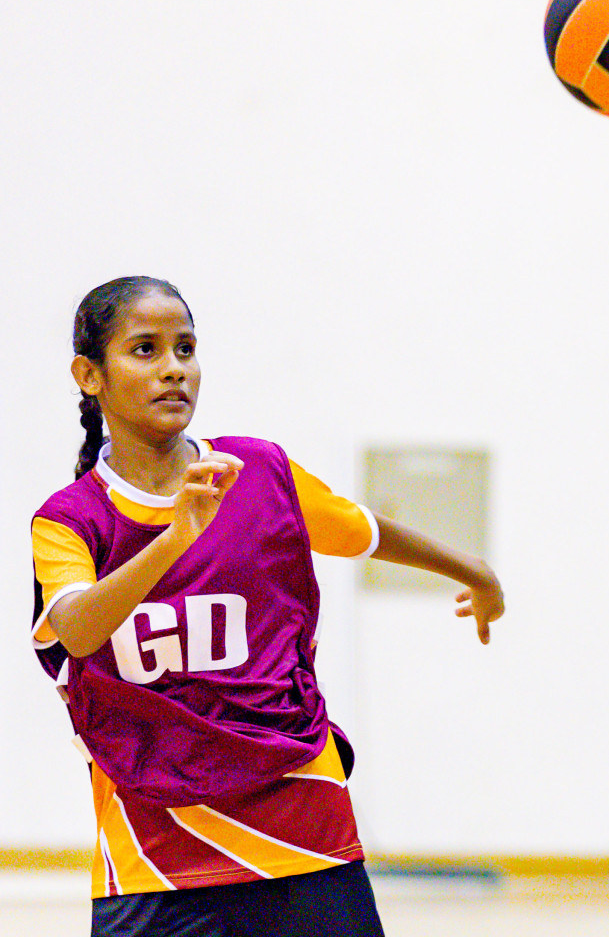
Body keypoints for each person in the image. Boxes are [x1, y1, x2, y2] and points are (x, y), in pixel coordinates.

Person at [30, 276, 506, 937]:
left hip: (302, 820)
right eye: (145, 349)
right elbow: (77, 629)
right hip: (157, 849)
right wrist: (175, 539)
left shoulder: (256, 471)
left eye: (186, 348)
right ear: (90, 375)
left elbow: (359, 527)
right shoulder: (70, 521)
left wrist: (471, 569)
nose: (174, 369)